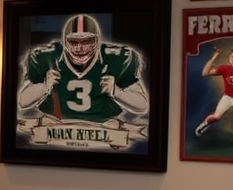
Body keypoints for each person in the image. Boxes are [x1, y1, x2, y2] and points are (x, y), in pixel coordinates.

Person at [18, 13, 148, 123]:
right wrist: (44, 87)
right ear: (64, 42)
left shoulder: (117, 59)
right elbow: (23, 102)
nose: (80, 48)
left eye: (87, 41)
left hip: (105, 126)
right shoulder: (46, 57)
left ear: (97, 41)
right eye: (74, 42)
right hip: (54, 124)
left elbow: (142, 105)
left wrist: (117, 91)